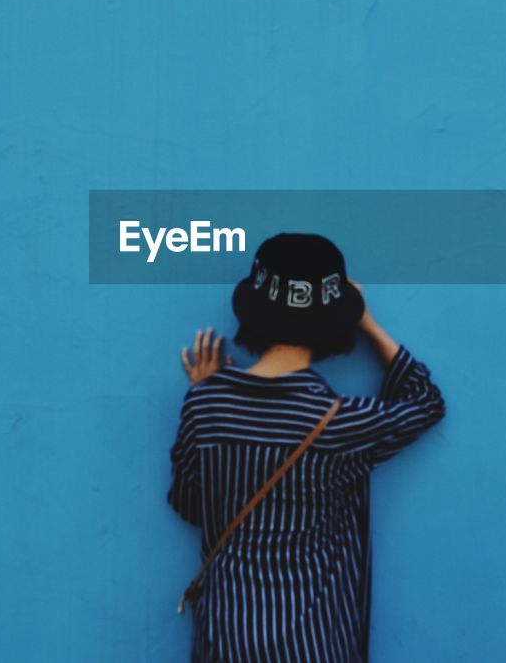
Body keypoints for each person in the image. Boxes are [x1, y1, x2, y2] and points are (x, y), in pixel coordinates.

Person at [167, 232, 446, 662]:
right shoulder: (340, 423)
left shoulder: (206, 405)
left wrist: (205, 393)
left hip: (226, 638)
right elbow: (426, 402)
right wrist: (367, 322)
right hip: (312, 643)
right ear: (333, 324)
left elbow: (189, 506)